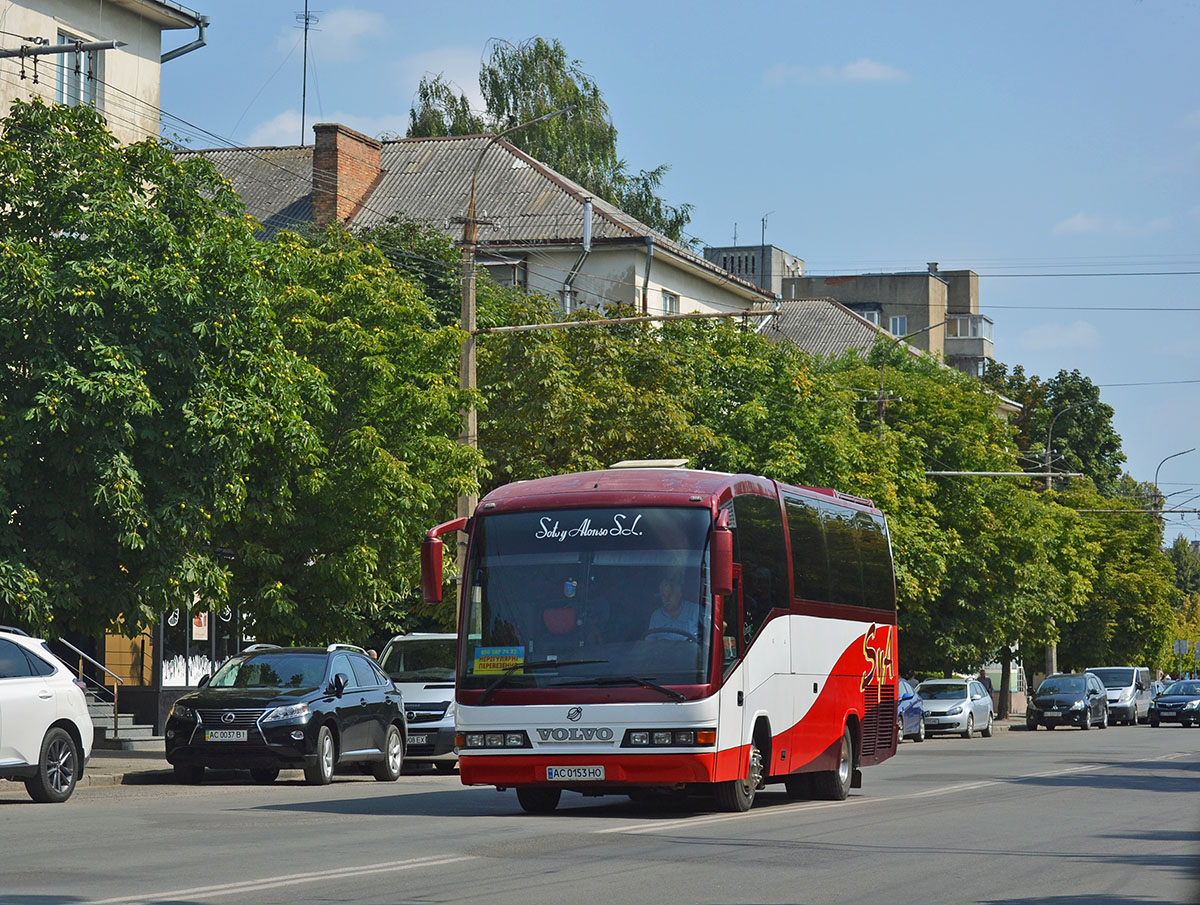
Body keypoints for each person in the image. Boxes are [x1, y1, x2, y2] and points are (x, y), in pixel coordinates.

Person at [646, 570, 704, 641]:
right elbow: (649, 642)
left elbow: (707, 640)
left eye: (669, 595)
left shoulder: (696, 612)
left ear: (680, 594)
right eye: (663, 596)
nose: (666, 599)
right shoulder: (656, 616)